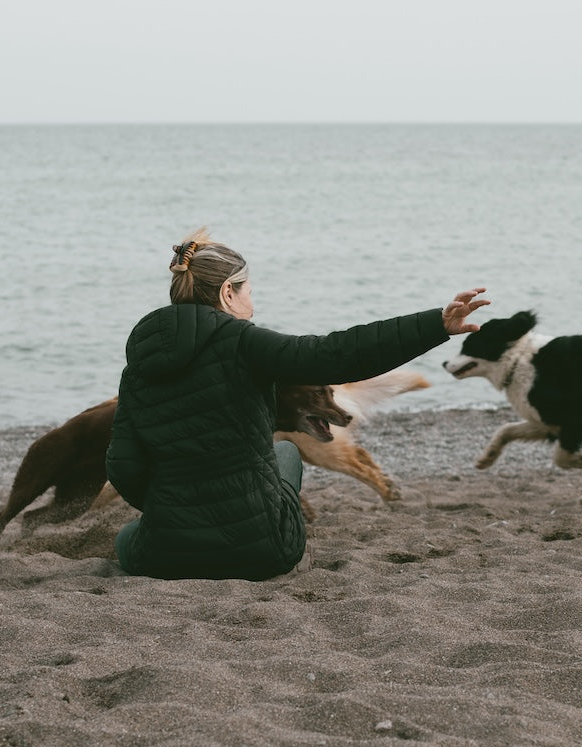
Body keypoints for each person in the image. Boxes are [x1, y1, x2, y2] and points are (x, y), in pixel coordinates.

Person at [106, 227, 489, 580]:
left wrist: (171, 509)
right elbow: (337, 354)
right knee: (286, 452)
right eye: (249, 292)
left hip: (165, 556)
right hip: (261, 550)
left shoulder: (138, 367)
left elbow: (123, 467)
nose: (252, 306)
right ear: (227, 293)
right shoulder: (243, 341)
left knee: (128, 538)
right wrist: (436, 325)